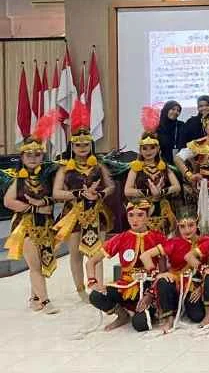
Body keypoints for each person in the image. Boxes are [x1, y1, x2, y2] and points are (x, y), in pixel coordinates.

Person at [53, 120, 114, 302]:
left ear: (91, 145)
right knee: (76, 253)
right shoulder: (65, 168)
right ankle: (81, 291)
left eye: (86, 144)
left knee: (97, 252)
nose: (82, 148)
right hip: (73, 214)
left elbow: (111, 186)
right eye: (78, 145)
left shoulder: (99, 165)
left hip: (96, 213)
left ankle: (98, 287)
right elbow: (56, 192)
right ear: (72, 146)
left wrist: (100, 194)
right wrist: (78, 194)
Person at [86, 199, 166, 331]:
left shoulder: (158, 237)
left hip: (149, 286)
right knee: (95, 296)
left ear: (148, 216)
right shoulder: (121, 238)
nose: (135, 220)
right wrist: (92, 282)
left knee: (140, 325)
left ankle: (149, 311)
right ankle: (122, 315)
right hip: (125, 286)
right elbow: (91, 262)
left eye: (140, 215)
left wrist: (152, 294)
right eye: (131, 215)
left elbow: (163, 271)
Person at [3, 130, 60, 314]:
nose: (33, 158)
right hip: (26, 226)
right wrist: (34, 208)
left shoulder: (48, 176)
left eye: (37, 155)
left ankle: (35, 297)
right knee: (35, 265)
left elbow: (57, 196)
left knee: (41, 264)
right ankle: (45, 301)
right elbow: (8, 202)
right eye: (29, 155)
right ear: (22, 156)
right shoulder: (18, 178)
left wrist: (44, 202)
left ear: (42, 156)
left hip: (46, 225)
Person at [138, 209, 206, 330]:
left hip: (194, 285)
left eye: (191, 225)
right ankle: (169, 318)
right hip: (175, 282)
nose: (187, 230)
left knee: (197, 316)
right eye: (182, 226)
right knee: (164, 281)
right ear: (178, 226)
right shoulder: (174, 242)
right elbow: (145, 256)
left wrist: (202, 287)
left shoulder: (206, 241)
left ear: (197, 224)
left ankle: (180, 304)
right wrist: (157, 274)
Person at [124, 129, 182, 236]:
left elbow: (177, 186)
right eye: (145, 148)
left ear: (158, 148)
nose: (148, 151)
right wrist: (148, 192)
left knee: (163, 237)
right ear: (140, 150)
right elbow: (127, 190)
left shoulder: (164, 167)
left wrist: (161, 192)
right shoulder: (136, 168)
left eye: (152, 148)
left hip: (162, 208)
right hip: (144, 208)